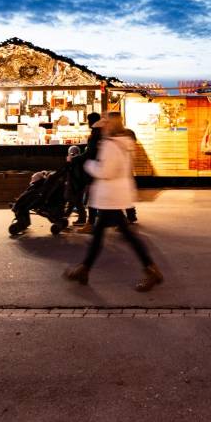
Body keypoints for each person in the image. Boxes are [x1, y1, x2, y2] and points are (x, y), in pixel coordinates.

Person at [63, 113, 163, 291]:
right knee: (103, 234)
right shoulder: (125, 142)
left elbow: (106, 172)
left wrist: (89, 165)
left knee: (124, 236)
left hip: (110, 196)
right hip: (116, 195)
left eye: (105, 124)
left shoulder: (110, 145)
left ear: (110, 125)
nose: (103, 127)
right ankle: (84, 269)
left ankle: (151, 270)